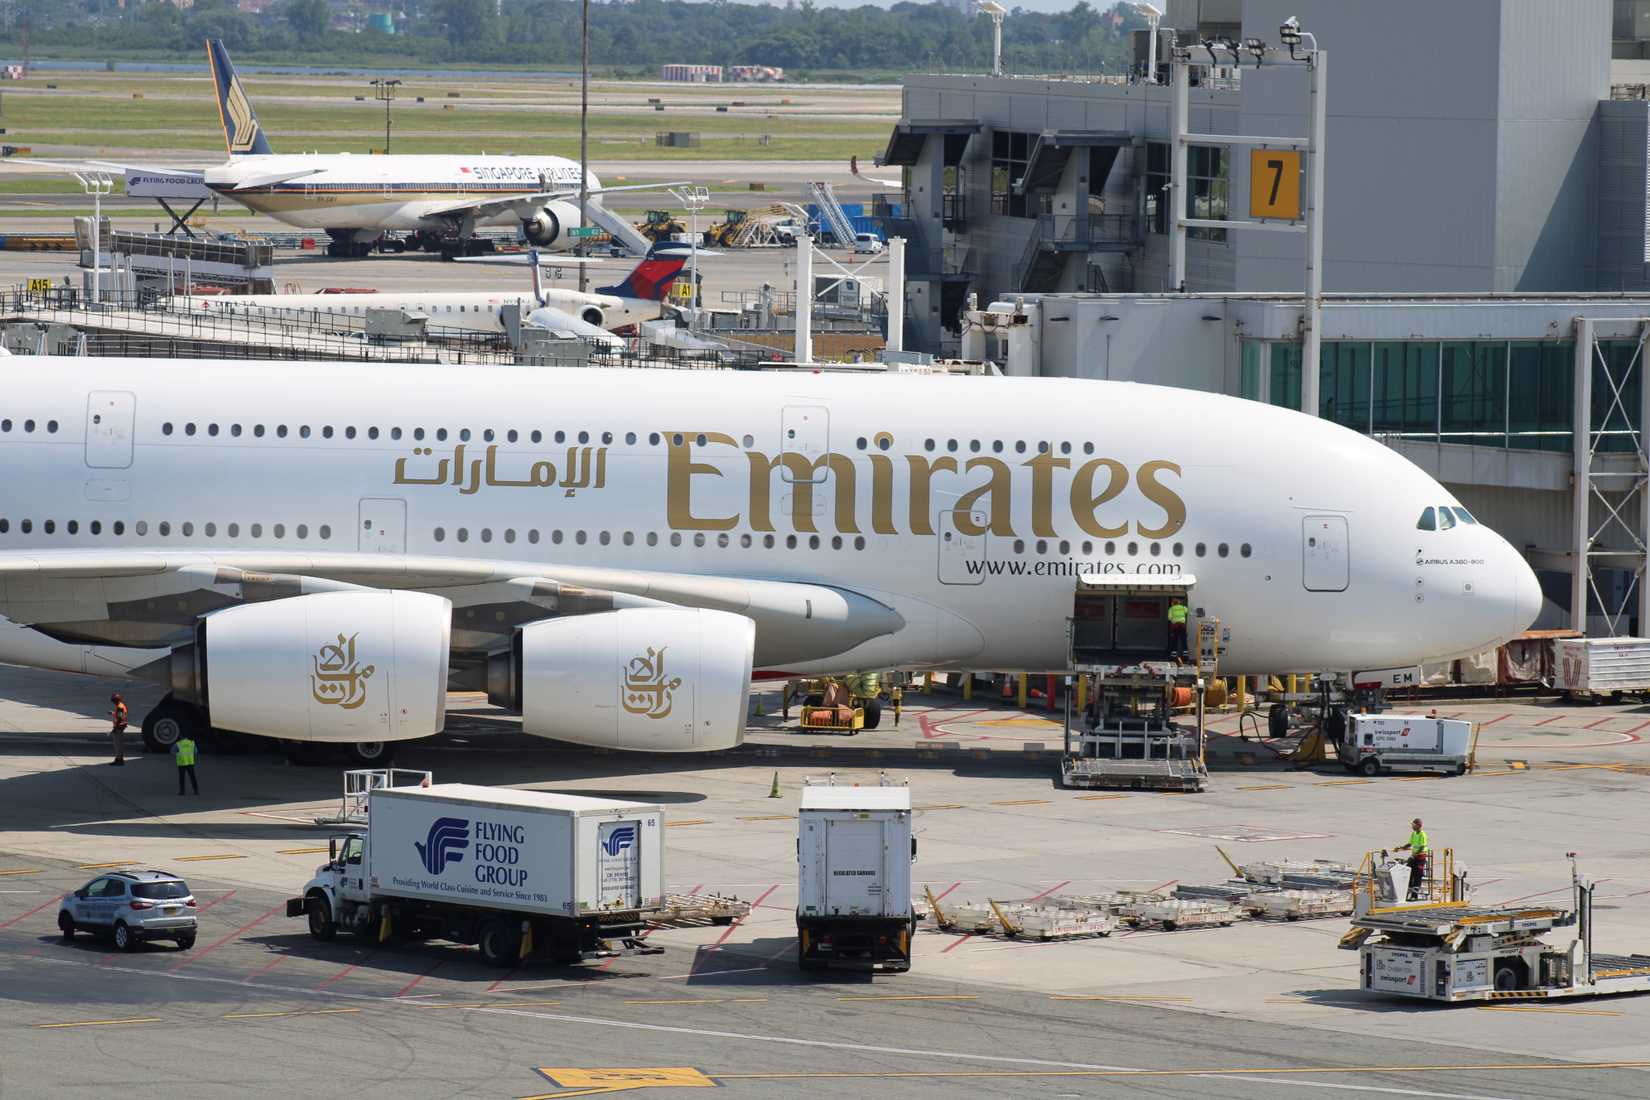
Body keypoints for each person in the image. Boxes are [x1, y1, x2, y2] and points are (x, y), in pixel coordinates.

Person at [1394, 817, 1429, 900]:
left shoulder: (1422, 834)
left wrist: (1415, 855)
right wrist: (1401, 847)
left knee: (1417, 875)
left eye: (1414, 825)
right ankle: (1406, 893)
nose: (1412, 826)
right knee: (1408, 872)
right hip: (1414, 856)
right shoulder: (1414, 834)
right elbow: (1410, 844)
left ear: (1418, 825)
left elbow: (1422, 846)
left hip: (1420, 857)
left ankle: (1414, 895)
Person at [108, 693, 129, 766]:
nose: (113, 702)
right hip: (120, 727)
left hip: (119, 728)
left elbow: (120, 718)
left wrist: (115, 728)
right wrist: (113, 713)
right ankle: (119, 759)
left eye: (113, 700)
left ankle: (119, 760)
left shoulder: (119, 707)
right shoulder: (121, 705)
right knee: (119, 744)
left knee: (118, 745)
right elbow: (119, 715)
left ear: (116, 700)